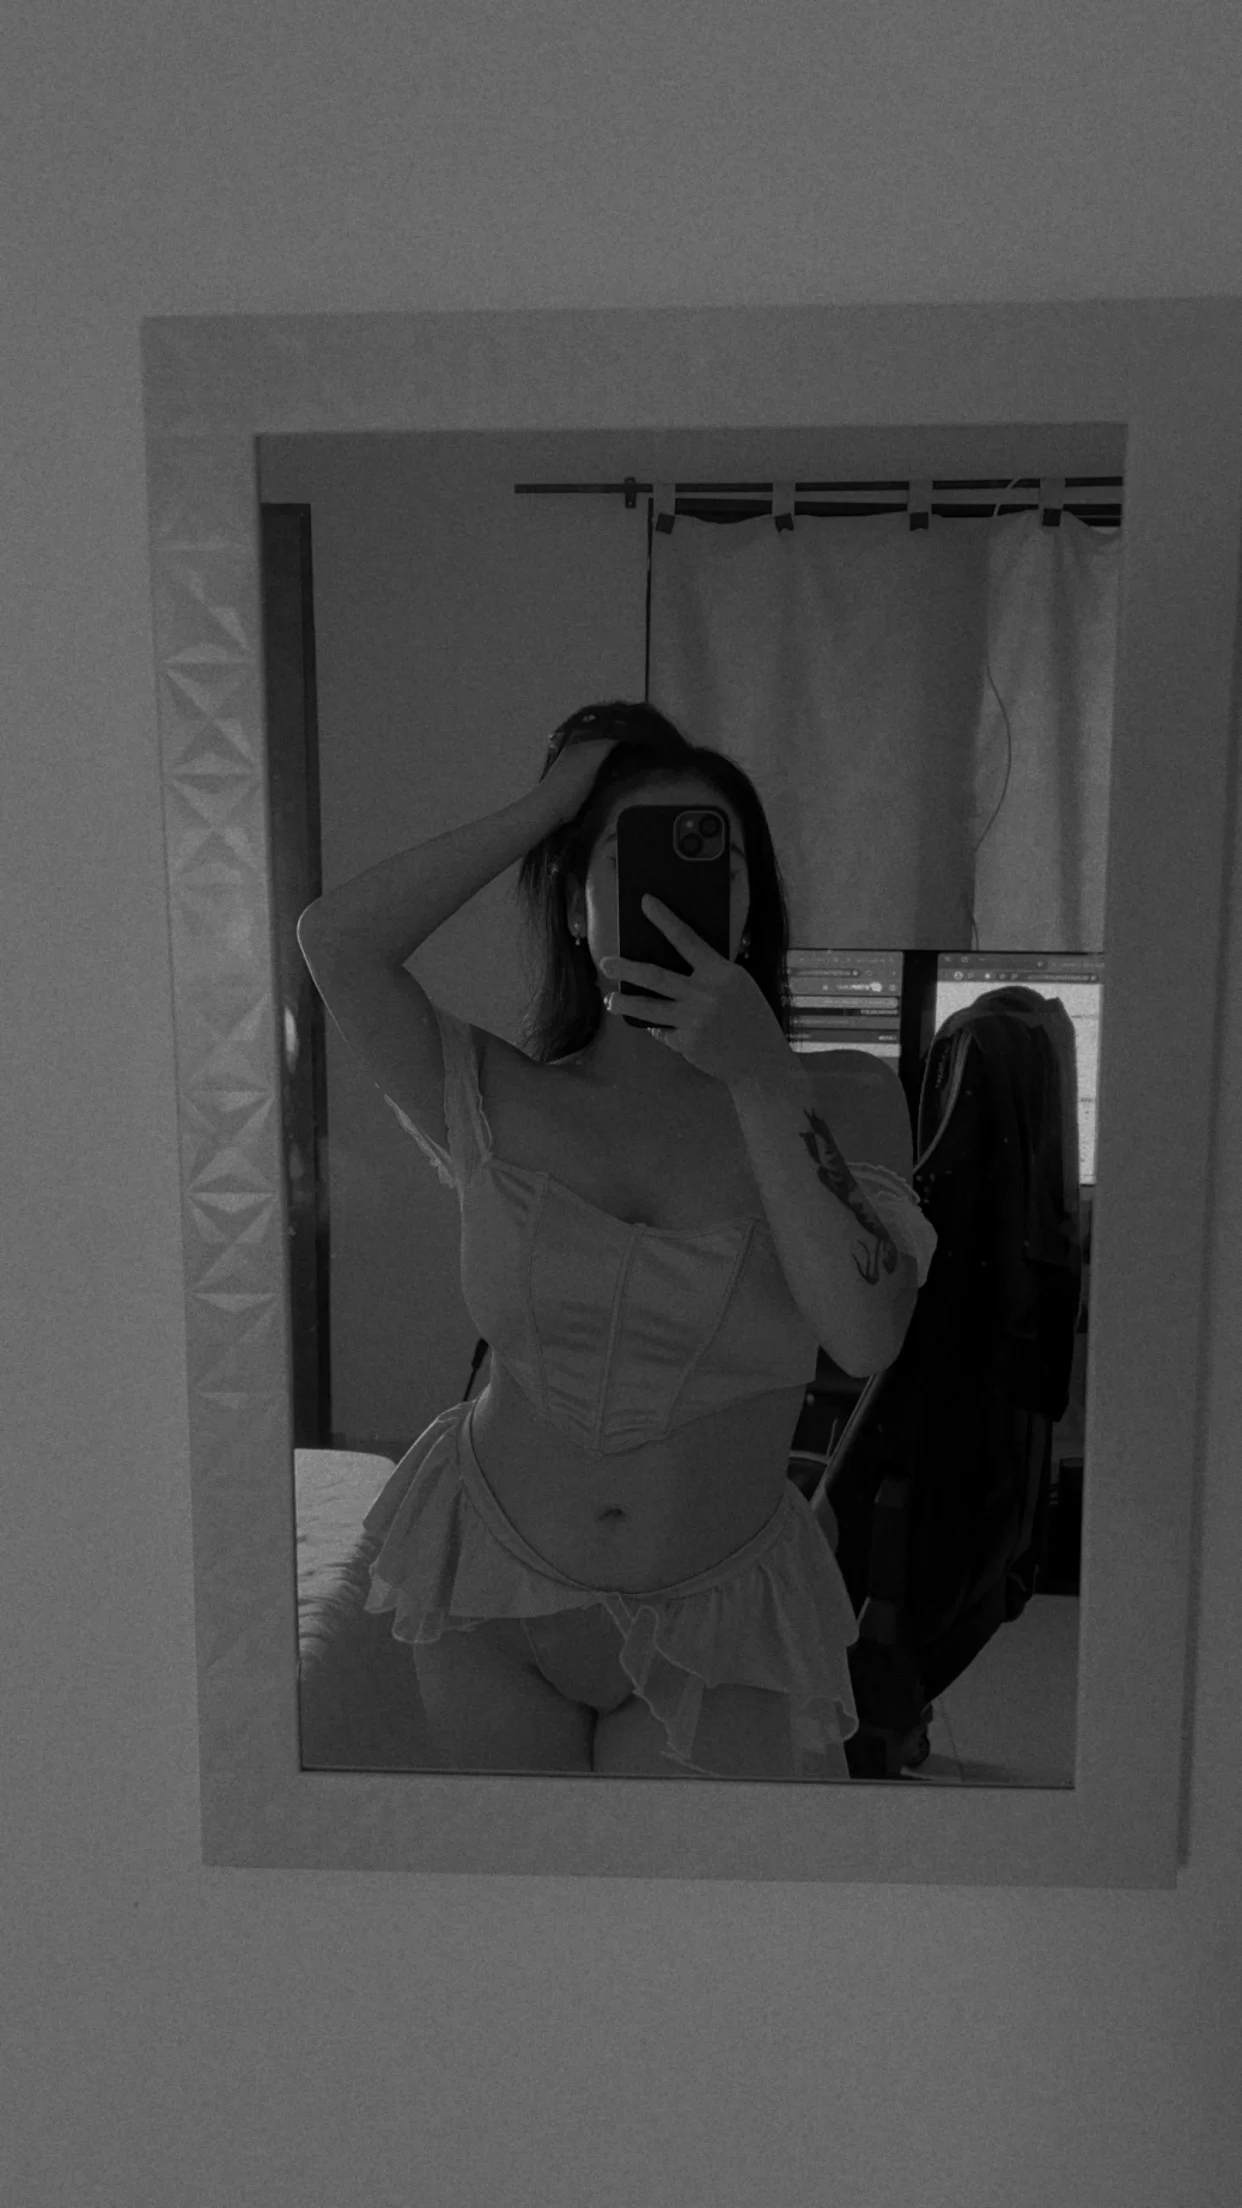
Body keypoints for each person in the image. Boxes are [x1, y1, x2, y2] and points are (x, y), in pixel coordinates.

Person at [295, 702, 937, 1781]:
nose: (677, 884)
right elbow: (336, 943)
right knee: (522, 1890)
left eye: (719, 860)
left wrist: (759, 1075)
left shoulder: (843, 1098)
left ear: (751, 906)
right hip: (489, 1591)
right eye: (624, 857)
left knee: (694, 1898)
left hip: (722, 1616)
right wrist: (547, 805)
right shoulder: (492, 1093)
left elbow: (866, 1333)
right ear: (571, 902)